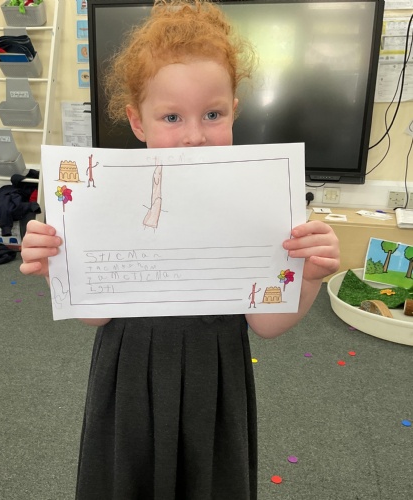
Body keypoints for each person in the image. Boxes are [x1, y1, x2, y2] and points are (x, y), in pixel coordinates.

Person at [20, 1, 340, 498]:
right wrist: (57, 265)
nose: (195, 136)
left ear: (234, 110)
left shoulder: (257, 202)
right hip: (130, 376)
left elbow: (267, 323)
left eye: (213, 114)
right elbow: (94, 315)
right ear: (138, 122)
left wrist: (311, 276)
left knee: (207, 481)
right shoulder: (106, 199)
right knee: (128, 479)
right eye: (171, 116)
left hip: (214, 379)